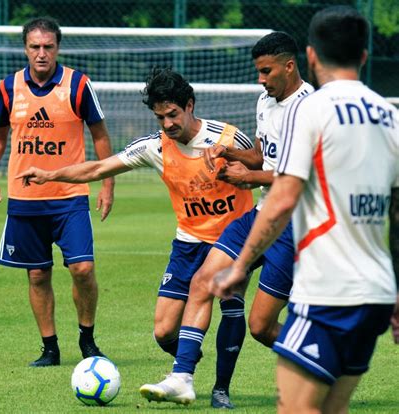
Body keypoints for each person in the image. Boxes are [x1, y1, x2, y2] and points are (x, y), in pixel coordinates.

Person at [16, 66, 254, 408]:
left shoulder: (228, 138)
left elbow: (264, 170)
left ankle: (219, 389)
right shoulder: (154, 147)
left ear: (190, 105)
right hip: (188, 242)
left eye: (173, 114)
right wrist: (50, 174)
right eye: (160, 118)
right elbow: (98, 168)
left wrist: (245, 176)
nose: (168, 124)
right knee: (163, 331)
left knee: (230, 304)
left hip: (233, 239)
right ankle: (189, 356)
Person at [211, 6, 399, 413]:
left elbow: (282, 196)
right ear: (364, 57)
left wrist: (240, 265)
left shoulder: (311, 110)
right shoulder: (390, 117)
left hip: (329, 290)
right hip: (376, 292)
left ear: (310, 57)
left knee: (296, 408)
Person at [138, 31, 313, 408]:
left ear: (289, 65)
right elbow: (266, 158)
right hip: (261, 215)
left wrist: (247, 178)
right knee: (204, 279)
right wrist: (230, 153)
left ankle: (320, 361)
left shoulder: (311, 109)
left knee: (262, 327)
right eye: (258, 72)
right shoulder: (266, 102)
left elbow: (304, 175)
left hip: (295, 223)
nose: (260, 79)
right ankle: (182, 377)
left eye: (266, 71)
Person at [0, 17, 115, 367]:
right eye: (35, 47)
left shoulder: (78, 85)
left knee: (83, 269)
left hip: (70, 198)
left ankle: (87, 339)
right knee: (38, 274)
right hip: (25, 199)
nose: (42, 53)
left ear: (58, 47)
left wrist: (107, 183)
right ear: (25, 48)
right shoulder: (9, 87)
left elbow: (99, 133)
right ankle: (50, 348)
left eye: (48, 47)